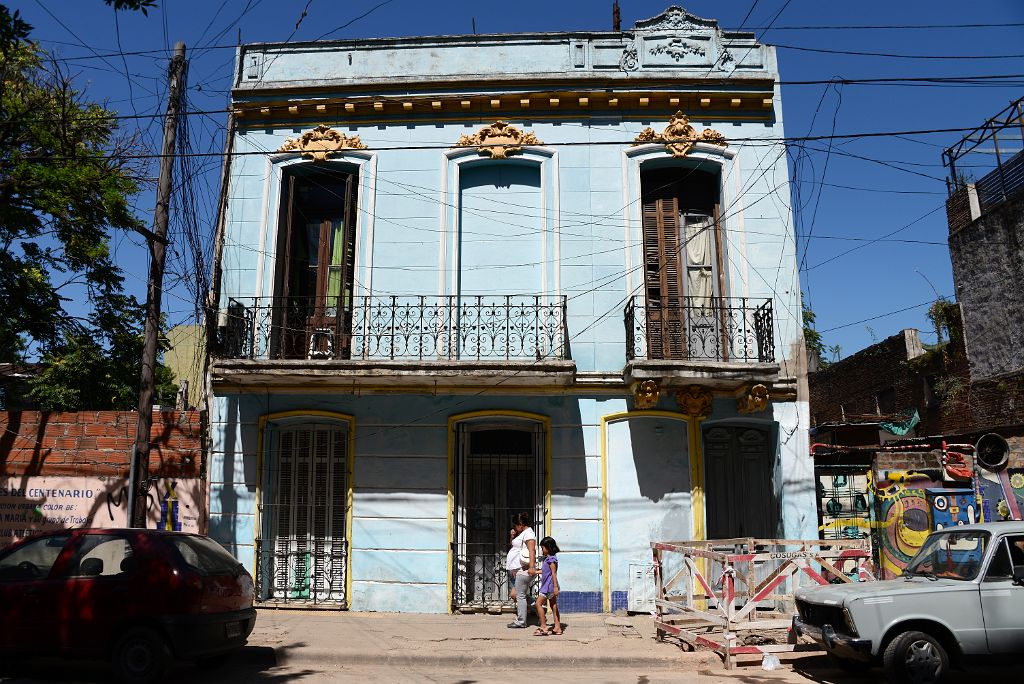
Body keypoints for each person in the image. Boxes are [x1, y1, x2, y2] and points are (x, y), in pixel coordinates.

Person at [505, 511, 536, 628]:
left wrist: (531, 567)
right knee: (515, 594)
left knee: (519, 595)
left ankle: (522, 621)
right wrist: (512, 536)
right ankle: (538, 606)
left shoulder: (528, 534)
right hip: (515, 569)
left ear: (521, 524)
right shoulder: (522, 533)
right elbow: (514, 547)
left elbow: (532, 550)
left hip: (522, 569)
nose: (515, 527)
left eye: (516, 525)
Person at [530, 536, 561, 636]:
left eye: (543, 548)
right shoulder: (549, 559)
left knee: (538, 604)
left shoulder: (551, 560)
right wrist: (535, 572)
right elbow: (545, 572)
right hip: (549, 586)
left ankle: (543, 627)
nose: (542, 550)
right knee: (553, 605)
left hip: (549, 587)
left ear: (548, 547)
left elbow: (553, 574)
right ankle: (557, 627)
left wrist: (555, 588)